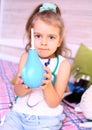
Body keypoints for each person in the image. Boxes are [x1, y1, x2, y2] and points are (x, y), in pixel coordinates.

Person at [0, 2, 71, 130]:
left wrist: (48, 86)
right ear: (31, 37)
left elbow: (54, 102)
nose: (44, 43)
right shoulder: (26, 57)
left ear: (59, 40)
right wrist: (24, 85)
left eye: (51, 37)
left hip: (46, 120)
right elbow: (18, 92)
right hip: (18, 115)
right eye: (38, 36)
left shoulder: (63, 65)